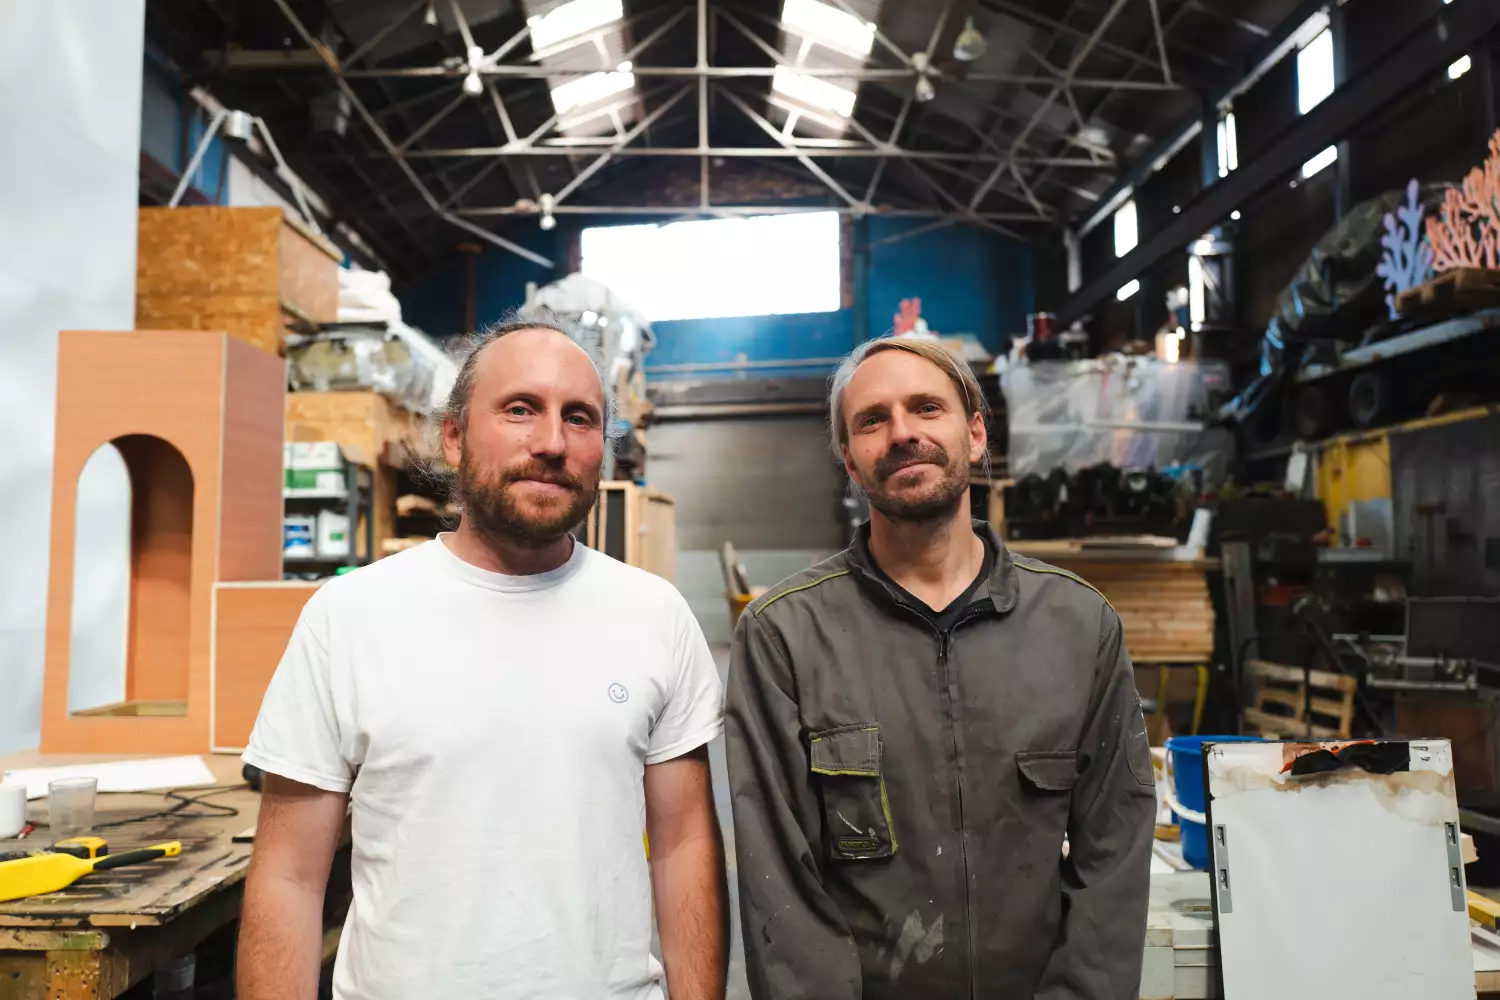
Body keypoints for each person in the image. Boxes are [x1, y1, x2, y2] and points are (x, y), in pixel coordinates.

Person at [238, 316, 729, 1000]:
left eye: (580, 418)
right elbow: (288, 878)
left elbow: (684, 851)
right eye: (520, 410)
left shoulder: (655, 616)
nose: (552, 443)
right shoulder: (349, 617)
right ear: (454, 437)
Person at [725, 337, 1154, 1000]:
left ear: (975, 434)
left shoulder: (1078, 625)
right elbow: (779, 886)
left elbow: (1114, 855)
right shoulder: (784, 636)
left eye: (926, 408)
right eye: (872, 420)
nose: (902, 433)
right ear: (849, 458)